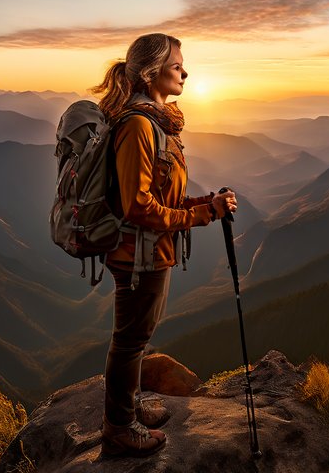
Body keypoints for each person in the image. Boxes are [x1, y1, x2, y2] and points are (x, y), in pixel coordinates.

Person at [91, 33, 237, 457]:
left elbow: (161, 198)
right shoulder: (138, 126)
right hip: (138, 254)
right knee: (130, 339)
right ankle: (118, 426)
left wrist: (207, 205)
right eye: (177, 66)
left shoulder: (155, 123)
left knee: (138, 335)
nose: (185, 72)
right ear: (152, 72)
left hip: (151, 250)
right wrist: (198, 214)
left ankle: (128, 407)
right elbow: (138, 206)